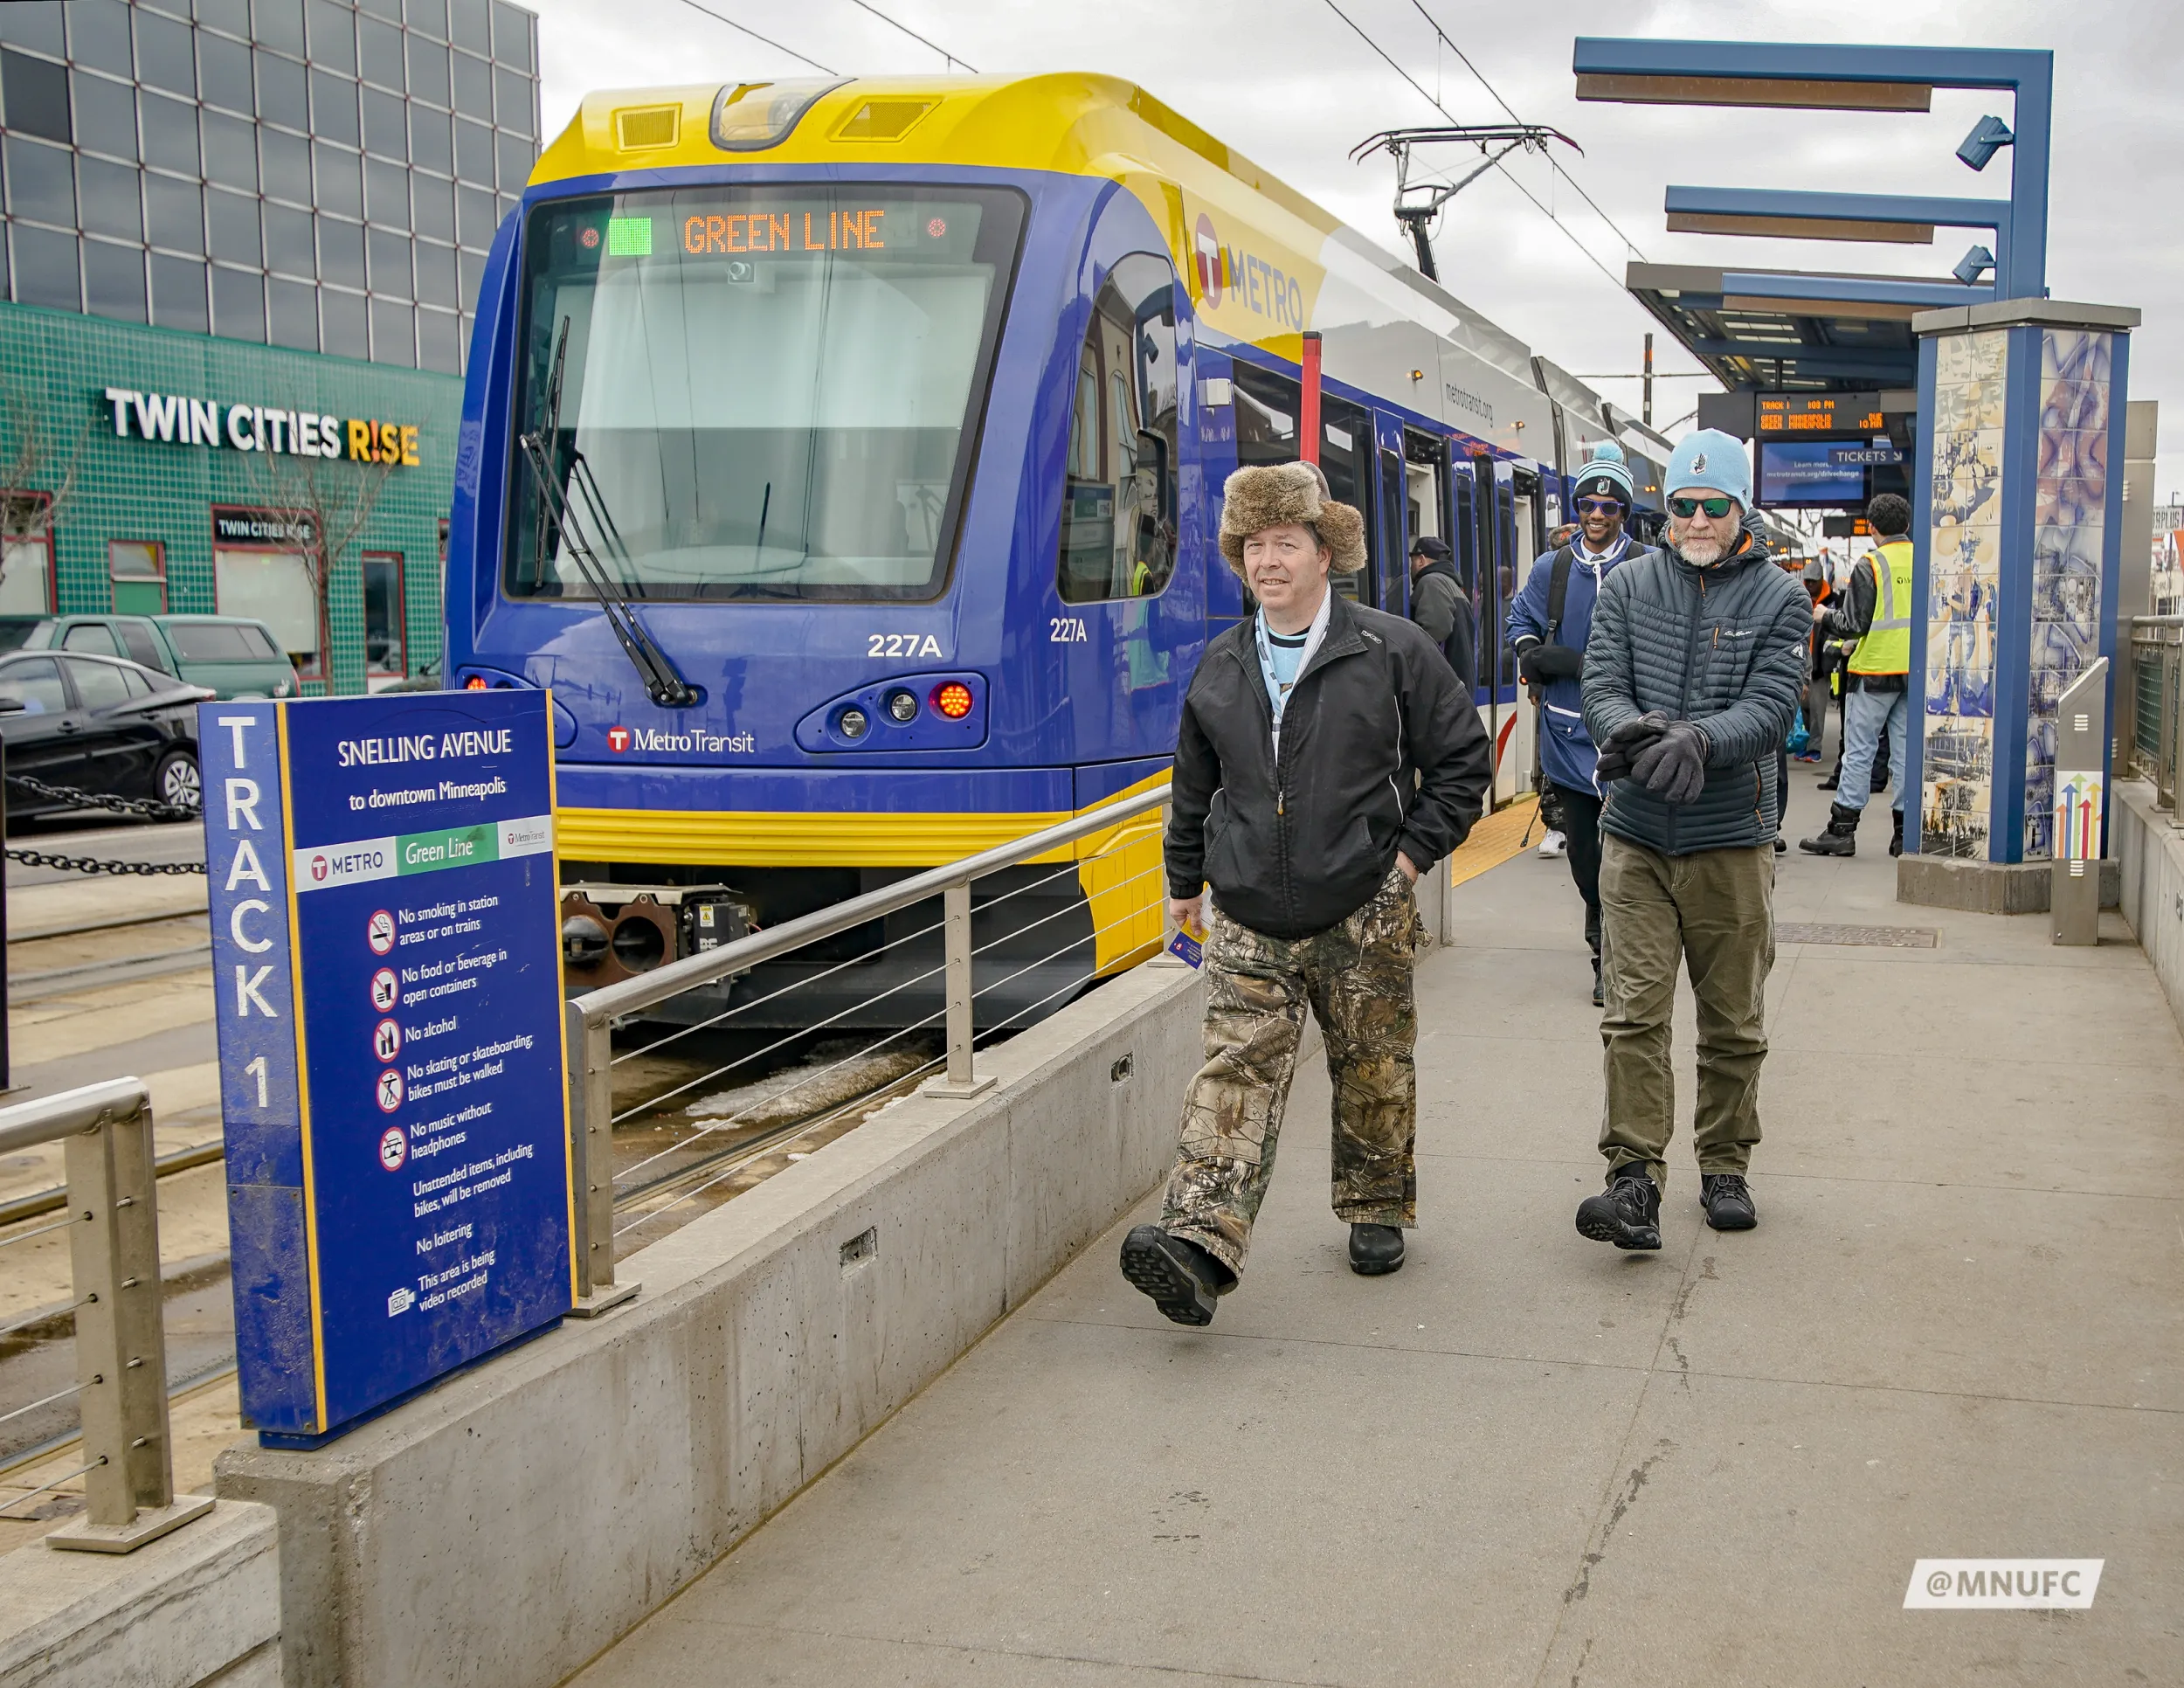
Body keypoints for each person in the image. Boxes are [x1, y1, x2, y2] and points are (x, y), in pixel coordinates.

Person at [1121, 461, 1492, 1325]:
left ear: (1327, 553)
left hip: (1361, 899)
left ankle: (1373, 1208)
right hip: (1249, 908)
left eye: (1285, 542)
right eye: (1252, 545)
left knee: (1371, 1065)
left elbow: (1463, 764)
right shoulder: (1220, 662)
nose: (1267, 560)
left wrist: (1403, 865)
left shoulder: (1391, 649)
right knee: (1232, 1072)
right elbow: (1192, 785)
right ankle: (1198, 1246)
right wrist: (1184, 886)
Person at [1574, 430, 1809, 1248]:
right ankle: (1633, 1178)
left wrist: (1703, 741)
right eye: (1683, 505)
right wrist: (1632, 731)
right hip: (1636, 836)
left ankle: (1725, 1165)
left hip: (1731, 841)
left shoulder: (1782, 597)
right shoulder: (1629, 587)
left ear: (1742, 507)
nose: (1698, 519)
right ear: (1665, 507)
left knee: (1732, 1021)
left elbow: (1776, 704)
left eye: (1714, 505)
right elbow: (1600, 681)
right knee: (1633, 1014)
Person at [1508, 441, 1653, 1005]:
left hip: (1633, 737)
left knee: (1633, 852)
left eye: (1609, 507)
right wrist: (1529, 651)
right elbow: (1518, 617)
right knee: (1587, 856)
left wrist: (1584, 663)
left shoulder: (1645, 566)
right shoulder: (1555, 566)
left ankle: (1627, 953)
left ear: (1624, 513)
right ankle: (1601, 949)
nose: (1596, 515)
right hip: (1569, 738)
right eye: (1587, 504)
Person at [1800, 494, 1914, 859]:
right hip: (1913, 673)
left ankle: (1842, 831)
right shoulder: (1926, 561)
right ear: (1907, 526)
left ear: (1873, 528)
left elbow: (1854, 624)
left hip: (1875, 672)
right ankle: (1905, 835)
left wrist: (1823, 618)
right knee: (1906, 756)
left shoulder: (1871, 564)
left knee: (1859, 752)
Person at [1406, 534, 1478, 695]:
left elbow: (1436, 629)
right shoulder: (1452, 584)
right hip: (1458, 683)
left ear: (1421, 560)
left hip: (1444, 688)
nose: (1411, 567)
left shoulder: (1431, 582)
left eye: (1412, 561)